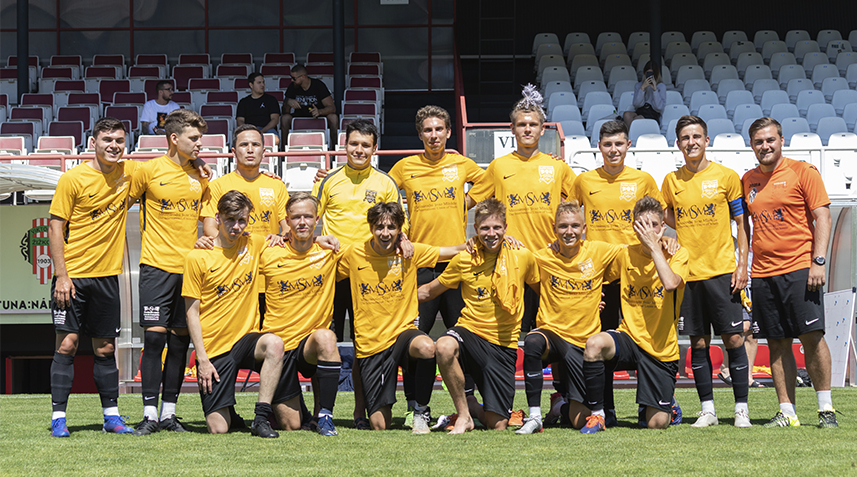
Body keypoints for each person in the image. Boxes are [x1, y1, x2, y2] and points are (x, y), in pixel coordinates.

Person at [387, 105, 485, 426]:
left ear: (448, 132)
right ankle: (418, 407)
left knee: (466, 337)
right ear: (420, 135)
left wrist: (465, 203)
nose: (433, 135)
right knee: (417, 338)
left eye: (439, 129)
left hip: (458, 266)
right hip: (421, 266)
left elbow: (493, 185)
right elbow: (382, 199)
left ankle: (469, 404)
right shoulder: (404, 168)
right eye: (427, 130)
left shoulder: (462, 164)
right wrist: (400, 232)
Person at [566, 120, 667, 426]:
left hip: (638, 275)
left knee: (646, 340)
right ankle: (603, 410)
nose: (613, 150)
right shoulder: (584, 181)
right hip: (601, 277)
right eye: (607, 144)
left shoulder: (643, 180)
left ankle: (649, 405)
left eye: (619, 144)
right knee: (601, 344)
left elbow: (657, 220)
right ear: (599, 147)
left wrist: (666, 242)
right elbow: (569, 215)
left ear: (628, 146)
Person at [742, 117, 838, 428]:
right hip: (763, 273)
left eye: (770, 140)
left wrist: (818, 261)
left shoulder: (803, 172)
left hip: (800, 268)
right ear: (752, 145)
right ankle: (787, 412)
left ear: (782, 140)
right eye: (759, 142)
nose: (765, 146)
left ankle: (826, 410)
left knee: (812, 337)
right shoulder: (748, 179)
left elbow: (822, 216)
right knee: (776, 341)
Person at [312, 118, 406, 429]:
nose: (359, 150)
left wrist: (403, 241)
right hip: (333, 276)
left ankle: (358, 412)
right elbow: (309, 218)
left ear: (375, 149)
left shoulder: (385, 183)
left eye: (366, 145)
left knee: (365, 345)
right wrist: (315, 239)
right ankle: (321, 411)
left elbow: (397, 223)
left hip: (370, 276)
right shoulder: (328, 180)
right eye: (354, 143)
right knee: (327, 343)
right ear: (344, 146)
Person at [47, 118, 138, 437]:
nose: (114, 145)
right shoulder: (73, 178)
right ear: (93, 143)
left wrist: (197, 166)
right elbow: (55, 227)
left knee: (105, 350)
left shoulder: (130, 176)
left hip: (107, 279)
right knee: (68, 344)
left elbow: (165, 170)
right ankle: (59, 418)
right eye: (107, 139)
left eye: (119, 141)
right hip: (72, 277)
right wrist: (61, 276)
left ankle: (111, 417)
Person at [338, 201, 463, 432]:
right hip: (371, 344)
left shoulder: (410, 252)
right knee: (379, 425)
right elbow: (317, 260)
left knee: (426, 346)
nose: (385, 233)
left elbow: (454, 250)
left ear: (399, 229)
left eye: (391, 227)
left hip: (402, 333)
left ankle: (420, 411)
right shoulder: (354, 254)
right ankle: (368, 409)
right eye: (379, 227)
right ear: (370, 228)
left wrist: (483, 242)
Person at [418, 198, 540, 434]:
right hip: (470, 332)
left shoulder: (522, 255)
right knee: (443, 345)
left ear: (506, 227)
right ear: (476, 229)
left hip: (502, 345)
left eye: (496, 228)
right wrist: (389, 298)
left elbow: (542, 290)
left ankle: (472, 407)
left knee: (498, 425)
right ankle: (463, 415)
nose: (491, 233)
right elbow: (428, 291)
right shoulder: (465, 258)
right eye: (484, 228)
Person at [661, 115, 752, 428]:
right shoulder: (671, 182)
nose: (691, 142)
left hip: (723, 272)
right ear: (678, 143)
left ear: (706, 140)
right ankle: (708, 411)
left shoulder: (726, 177)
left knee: (734, 341)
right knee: (698, 344)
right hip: (689, 276)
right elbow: (668, 216)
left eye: (697, 136)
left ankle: (741, 409)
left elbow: (741, 223)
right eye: (685, 138)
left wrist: (743, 266)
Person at [468, 85, 576, 333]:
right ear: (512, 129)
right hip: (510, 259)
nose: (527, 129)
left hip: (549, 258)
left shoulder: (557, 166)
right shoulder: (499, 166)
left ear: (542, 129)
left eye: (533, 124)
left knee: (554, 329)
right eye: (521, 124)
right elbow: (470, 201)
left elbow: (581, 202)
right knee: (510, 329)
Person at [127, 109, 209, 435]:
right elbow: (121, 205)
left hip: (188, 269)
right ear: (174, 139)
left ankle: (168, 414)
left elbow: (208, 219)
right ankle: (148, 414)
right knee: (153, 338)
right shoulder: (147, 171)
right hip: (156, 266)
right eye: (194, 138)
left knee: (180, 343)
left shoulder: (201, 176)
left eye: (200, 138)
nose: (200, 143)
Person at [580, 196, 688, 433]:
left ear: (663, 227)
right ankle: (598, 415)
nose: (648, 231)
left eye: (654, 225)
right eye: (642, 225)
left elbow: (670, 283)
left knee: (655, 424)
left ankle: (667, 405)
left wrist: (654, 247)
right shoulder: (623, 254)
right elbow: (585, 263)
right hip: (629, 337)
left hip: (661, 349)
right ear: (633, 228)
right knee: (594, 344)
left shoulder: (677, 254)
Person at [517, 201, 625, 434]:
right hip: (552, 335)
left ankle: (559, 407)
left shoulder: (599, 251)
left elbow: (633, 250)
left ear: (584, 227)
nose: (569, 231)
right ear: (553, 227)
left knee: (579, 420)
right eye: (563, 226)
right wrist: (508, 239)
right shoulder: (541, 257)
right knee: (533, 341)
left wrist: (664, 240)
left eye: (575, 226)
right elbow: (517, 264)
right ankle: (534, 416)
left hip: (583, 343)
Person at [182, 190, 284, 438]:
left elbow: (291, 241)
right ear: (217, 218)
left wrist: (285, 236)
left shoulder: (254, 243)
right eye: (230, 220)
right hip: (215, 349)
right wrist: (202, 361)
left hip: (246, 339)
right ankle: (230, 412)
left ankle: (261, 418)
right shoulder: (197, 257)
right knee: (219, 428)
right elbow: (191, 314)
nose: (237, 227)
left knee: (275, 344)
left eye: (242, 220)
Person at [258, 192, 342, 436]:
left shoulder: (330, 251)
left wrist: (401, 238)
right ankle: (299, 410)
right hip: (279, 347)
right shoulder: (269, 250)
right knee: (291, 425)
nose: (302, 222)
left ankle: (325, 415)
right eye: (296, 217)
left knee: (327, 337)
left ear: (317, 219)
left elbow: (371, 250)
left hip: (309, 345)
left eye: (307, 216)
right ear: (286, 220)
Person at [199, 124, 290, 328]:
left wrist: (281, 236)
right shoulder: (218, 186)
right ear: (233, 151)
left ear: (264, 152)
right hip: (232, 276)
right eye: (244, 145)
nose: (250, 149)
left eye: (256, 145)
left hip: (268, 279)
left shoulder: (276, 185)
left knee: (269, 339)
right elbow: (210, 229)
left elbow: (288, 227)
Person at [281, 64, 338, 142]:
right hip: (299, 117)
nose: (292, 80)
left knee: (333, 117)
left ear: (303, 77)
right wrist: (287, 101)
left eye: (294, 78)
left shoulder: (318, 85)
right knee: (285, 118)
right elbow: (285, 112)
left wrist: (319, 111)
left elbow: (332, 108)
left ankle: (334, 150)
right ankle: (284, 151)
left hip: (317, 117)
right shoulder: (292, 87)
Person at [236, 73, 281, 141]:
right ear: (251, 85)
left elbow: (275, 120)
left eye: (263, 82)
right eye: (259, 83)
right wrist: (250, 131)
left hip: (267, 130)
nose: (262, 85)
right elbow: (240, 121)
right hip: (249, 131)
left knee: (275, 140)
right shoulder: (243, 102)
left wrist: (261, 131)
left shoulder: (271, 100)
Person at [623, 61, 667, 128]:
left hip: (653, 113)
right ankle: (632, 133)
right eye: (648, 74)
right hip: (641, 110)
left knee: (637, 119)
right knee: (626, 114)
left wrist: (655, 91)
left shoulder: (661, 86)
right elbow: (636, 104)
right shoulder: (638, 85)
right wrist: (642, 89)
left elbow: (659, 107)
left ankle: (630, 134)